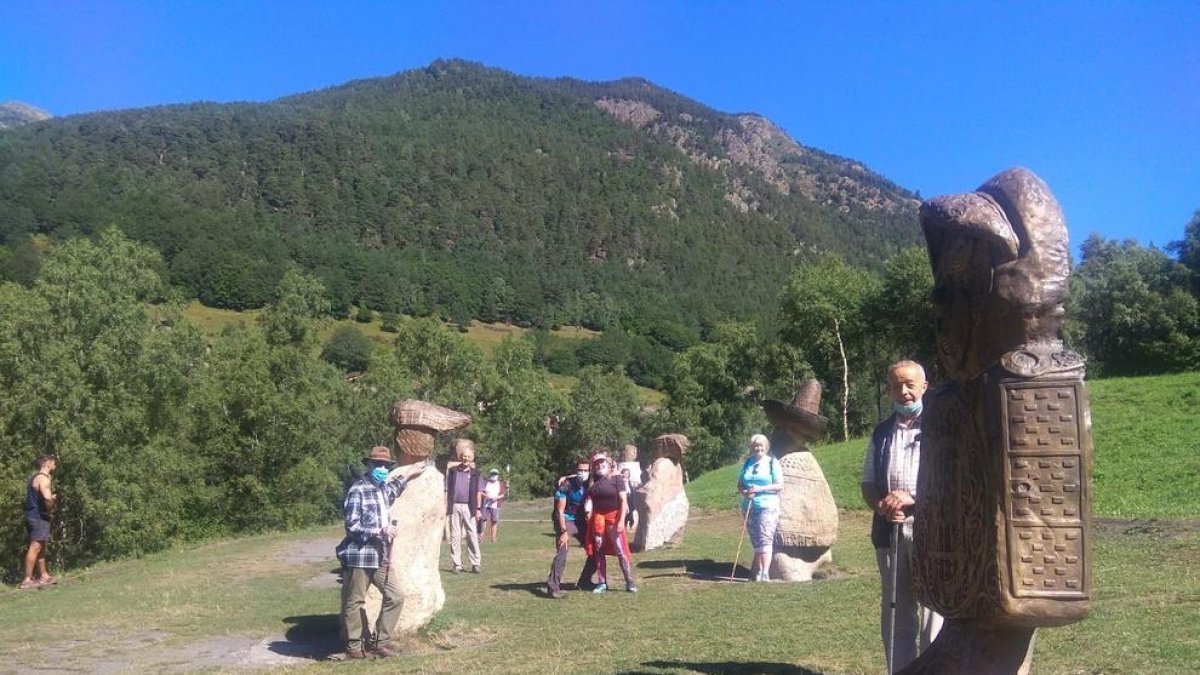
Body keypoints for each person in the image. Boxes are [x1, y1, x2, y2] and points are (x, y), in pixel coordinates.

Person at [860, 360, 944, 673]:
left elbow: (952, 479)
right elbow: (868, 482)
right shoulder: (882, 432)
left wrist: (914, 498)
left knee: (934, 610)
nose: (904, 391)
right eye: (897, 386)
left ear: (925, 386)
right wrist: (882, 506)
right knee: (896, 610)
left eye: (910, 384)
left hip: (931, 530)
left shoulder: (941, 426)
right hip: (890, 531)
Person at [335, 446, 426, 659]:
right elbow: (351, 526)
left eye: (386, 465)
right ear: (369, 465)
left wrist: (410, 471)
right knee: (355, 601)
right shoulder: (358, 490)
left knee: (396, 596)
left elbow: (396, 487)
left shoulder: (383, 489)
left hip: (379, 555)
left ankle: (379, 642)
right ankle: (354, 647)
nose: (382, 469)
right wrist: (379, 530)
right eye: (378, 464)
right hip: (360, 555)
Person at [584, 454, 637, 594]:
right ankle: (602, 582)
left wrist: (621, 521)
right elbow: (588, 496)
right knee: (599, 549)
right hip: (598, 519)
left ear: (608, 464)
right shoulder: (592, 480)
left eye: (602, 462)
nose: (599, 465)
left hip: (614, 518)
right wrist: (564, 478)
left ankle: (629, 582)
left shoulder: (617, 478)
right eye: (596, 463)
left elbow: (623, 501)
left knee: (620, 550)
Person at [546, 457, 598, 599]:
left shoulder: (591, 482)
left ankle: (584, 581)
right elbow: (559, 511)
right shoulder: (566, 484)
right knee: (562, 551)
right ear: (576, 470)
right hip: (566, 520)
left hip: (582, 522)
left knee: (596, 550)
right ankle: (553, 587)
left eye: (586, 470)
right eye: (580, 470)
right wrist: (563, 531)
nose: (583, 473)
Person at [737, 434, 783, 582]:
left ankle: (764, 572)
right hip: (749, 506)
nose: (758, 448)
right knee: (756, 539)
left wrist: (760, 489)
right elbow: (740, 485)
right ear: (752, 447)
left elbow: (779, 485)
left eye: (761, 445)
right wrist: (746, 492)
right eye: (755, 446)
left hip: (767, 505)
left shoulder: (772, 462)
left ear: (766, 447)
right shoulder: (748, 462)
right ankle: (758, 572)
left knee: (765, 538)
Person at [445, 439, 483, 573]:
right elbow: (447, 490)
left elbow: (479, 492)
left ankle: (476, 563)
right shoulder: (452, 471)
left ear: (472, 458)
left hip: (469, 507)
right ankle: (457, 564)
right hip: (454, 506)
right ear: (460, 457)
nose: (466, 459)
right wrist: (446, 506)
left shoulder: (476, 473)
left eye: (468, 456)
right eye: (464, 456)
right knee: (455, 536)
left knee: (472, 535)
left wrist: (478, 509)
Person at [21, 454, 58, 590]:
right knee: (35, 546)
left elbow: (41, 496)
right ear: (47, 463)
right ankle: (27, 580)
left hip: (35, 515)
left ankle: (44, 576)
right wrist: (50, 504)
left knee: (41, 546)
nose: (55, 465)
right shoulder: (43, 478)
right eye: (53, 462)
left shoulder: (35, 477)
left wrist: (49, 497)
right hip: (38, 516)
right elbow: (47, 498)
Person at [480, 468, 506, 543]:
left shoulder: (500, 484)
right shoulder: (486, 482)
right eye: (492, 474)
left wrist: (496, 498)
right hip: (486, 504)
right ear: (490, 474)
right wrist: (486, 496)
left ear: (497, 475)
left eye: (495, 474)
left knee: (494, 521)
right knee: (483, 520)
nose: (493, 475)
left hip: (496, 505)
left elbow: (503, 494)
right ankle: (481, 537)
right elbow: (480, 492)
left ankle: (493, 537)